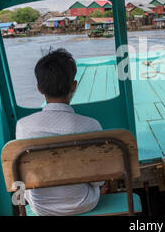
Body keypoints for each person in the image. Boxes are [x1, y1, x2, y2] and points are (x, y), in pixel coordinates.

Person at [16, 48, 106, 216]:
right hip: (84, 204)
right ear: (74, 86)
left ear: (39, 88)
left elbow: (21, 179)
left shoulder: (22, 126)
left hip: (40, 208)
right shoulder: (91, 126)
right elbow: (98, 181)